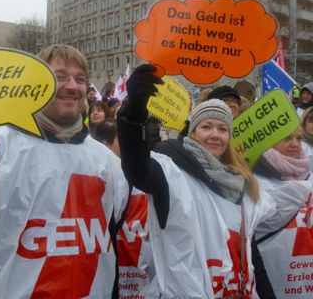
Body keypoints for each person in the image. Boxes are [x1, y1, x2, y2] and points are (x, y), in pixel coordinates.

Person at [0, 44, 129, 299]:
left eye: (80, 79)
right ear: (34, 84)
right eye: (60, 77)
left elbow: (108, 247)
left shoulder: (107, 162)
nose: (72, 86)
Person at [117, 65, 276, 298]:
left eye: (222, 128)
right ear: (193, 133)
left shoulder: (240, 183)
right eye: (206, 126)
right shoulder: (171, 173)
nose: (215, 134)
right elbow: (136, 167)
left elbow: (250, 256)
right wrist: (133, 114)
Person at [93, 120, 157, 298]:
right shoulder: (97, 179)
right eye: (124, 141)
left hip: (145, 283)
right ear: (106, 146)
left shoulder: (154, 178)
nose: (133, 147)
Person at [253, 126, 312, 298]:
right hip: (272, 279)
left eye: (299, 139)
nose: (295, 144)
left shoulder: (308, 175)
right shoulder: (253, 182)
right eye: (287, 138)